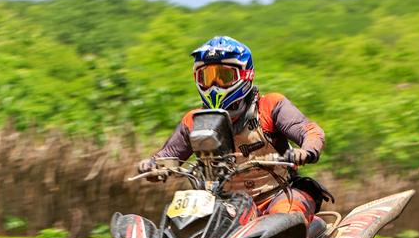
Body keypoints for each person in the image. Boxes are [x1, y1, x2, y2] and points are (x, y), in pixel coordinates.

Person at [138, 35, 328, 221]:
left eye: (223, 76)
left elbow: (310, 131)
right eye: (207, 77)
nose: (214, 86)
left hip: (276, 195)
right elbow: (169, 155)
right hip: (222, 204)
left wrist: (307, 150)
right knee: (181, 219)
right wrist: (153, 166)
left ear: (246, 74)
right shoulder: (193, 120)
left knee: (286, 216)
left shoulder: (270, 106)